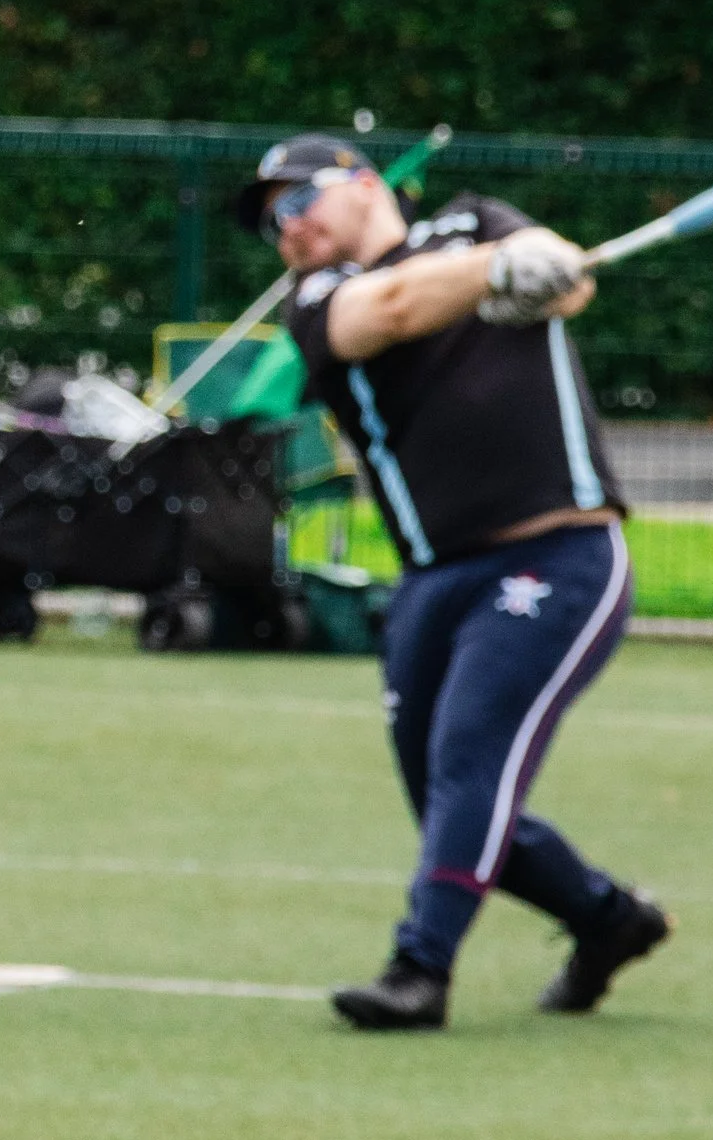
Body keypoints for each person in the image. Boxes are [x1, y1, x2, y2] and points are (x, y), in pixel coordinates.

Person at [239, 133, 673, 1034]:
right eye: (270, 222)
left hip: (559, 554)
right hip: (434, 579)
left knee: (473, 758)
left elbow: (572, 281)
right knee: (455, 806)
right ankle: (607, 920)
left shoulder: (474, 219)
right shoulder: (318, 298)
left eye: (296, 201)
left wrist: (534, 262)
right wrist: (495, 272)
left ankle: (418, 969)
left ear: (361, 183)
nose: (286, 228)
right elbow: (389, 311)